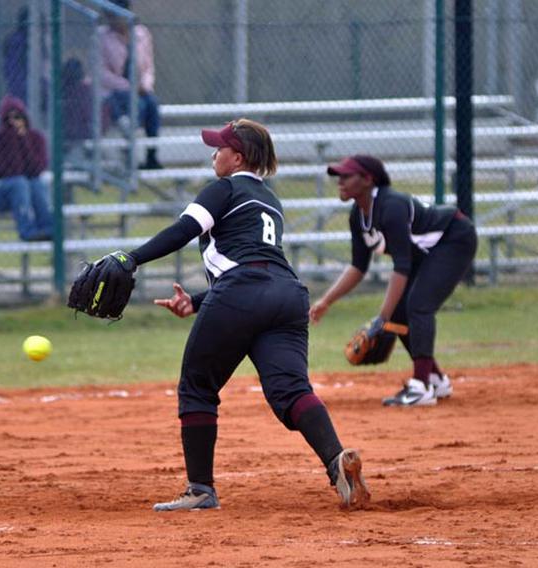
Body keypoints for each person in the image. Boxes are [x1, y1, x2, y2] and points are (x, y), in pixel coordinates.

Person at [120, 119, 369, 511]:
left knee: (197, 386)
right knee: (291, 391)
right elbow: (257, 264)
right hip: (287, 295)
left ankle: (200, 490)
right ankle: (336, 461)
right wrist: (199, 301)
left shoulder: (225, 188)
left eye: (219, 147)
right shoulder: (271, 199)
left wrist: (132, 258)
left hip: (242, 293)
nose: (213, 154)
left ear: (238, 157)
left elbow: (184, 229)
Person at [311, 155, 478, 407]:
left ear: (368, 180)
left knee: (418, 306)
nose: (340, 182)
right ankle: (434, 378)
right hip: (426, 250)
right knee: (400, 314)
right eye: (339, 177)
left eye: (347, 176)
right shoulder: (358, 215)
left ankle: (421, 387)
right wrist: (326, 301)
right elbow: (358, 266)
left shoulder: (390, 207)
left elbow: (402, 266)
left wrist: (381, 318)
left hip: (454, 238)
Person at [0, 95, 52, 242]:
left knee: (36, 183)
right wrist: (14, 138)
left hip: (21, 191)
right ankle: (27, 231)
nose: (13, 122)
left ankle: (48, 228)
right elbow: (13, 170)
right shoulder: (1, 139)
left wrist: (23, 140)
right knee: (19, 182)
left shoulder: (36, 138)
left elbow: (36, 169)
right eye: (8, 119)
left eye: (17, 116)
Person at [100, 0, 163, 170]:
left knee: (151, 104)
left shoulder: (142, 34)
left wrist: (145, 85)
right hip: (115, 92)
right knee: (137, 104)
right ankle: (128, 148)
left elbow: (149, 67)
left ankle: (151, 156)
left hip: (141, 89)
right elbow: (102, 74)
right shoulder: (102, 36)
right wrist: (130, 86)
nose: (112, 20)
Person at [2, 7, 48, 110]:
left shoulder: (38, 43)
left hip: (30, 91)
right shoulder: (18, 42)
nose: (44, 29)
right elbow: (15, 73)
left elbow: (43, 71)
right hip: (23, 93)